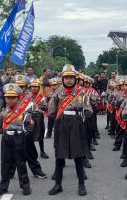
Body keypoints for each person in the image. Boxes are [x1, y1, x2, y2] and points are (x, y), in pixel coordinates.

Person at [48, 64, 92, 196]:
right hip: (62, 125)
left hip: (76, 125)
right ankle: (58, 184)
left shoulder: (81, 92)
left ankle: (81, 185)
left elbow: (89, 110)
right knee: (59, 156)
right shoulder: (57, 92)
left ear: (75, 78)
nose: (68, 80)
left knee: (78, 156)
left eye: (71, 77)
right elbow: (51, 111)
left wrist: (80, 113)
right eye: (66, 77)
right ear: (62, 78)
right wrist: (61, 117)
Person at [0, 83, 33, 196]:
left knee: (21, 162)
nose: (10, 100)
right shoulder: (3, 113)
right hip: (6, 138)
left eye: (13, 97)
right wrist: (5, 133)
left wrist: (31, 124)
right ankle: (3, 186)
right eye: (8, 97)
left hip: (19, 137)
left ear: (18, 98)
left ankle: (25, 186)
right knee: (5, 163)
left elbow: (29, 127)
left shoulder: (23, 112)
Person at [29, 79, 49, 159]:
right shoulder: (27, 96)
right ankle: (31, 152)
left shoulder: (41, 96)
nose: (34, 88)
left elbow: (44, 107)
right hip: (29, 117)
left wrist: (38, 108)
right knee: (29, 135)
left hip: (39, 118)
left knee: (41, 134)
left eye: (36, 87)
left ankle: (42, 151)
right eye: (32, 87)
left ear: (38, 87)